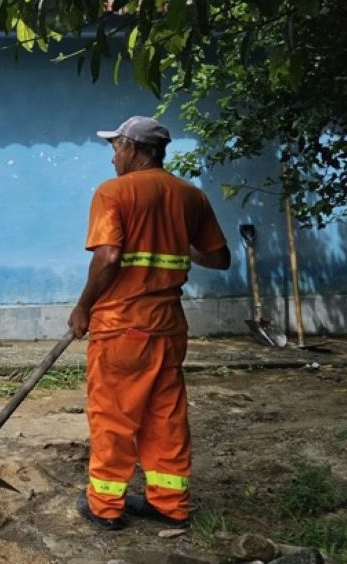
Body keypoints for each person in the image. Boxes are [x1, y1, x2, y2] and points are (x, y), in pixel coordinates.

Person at [69, 116, 230, 531]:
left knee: (113, 416)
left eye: (116, 148)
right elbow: (218, 257)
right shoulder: (189, 196)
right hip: (168, 327)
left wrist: (83, 307)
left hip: (121, 325)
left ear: (134, 149)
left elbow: (107, 257)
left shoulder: (113, 193)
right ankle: (170, 504)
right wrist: (173, 241)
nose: (112, 158)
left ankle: (105, 506)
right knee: (165, 416)